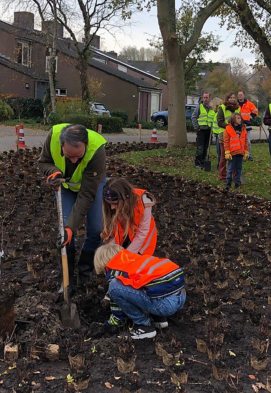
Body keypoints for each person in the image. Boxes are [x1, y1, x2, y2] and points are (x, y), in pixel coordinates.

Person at [40, 123, 107, 286]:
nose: (74, 160)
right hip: (67, 187)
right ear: (62, 145)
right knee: (65, 236)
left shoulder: (97, 150)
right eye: (69, 156)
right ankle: (67, 279)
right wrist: (53, 172)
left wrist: (71, 226)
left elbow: (86, 195)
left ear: (86, 145)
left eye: (79, 156)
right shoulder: (53, 136)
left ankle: (84, 273)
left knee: (97, 229)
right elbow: (43, 162)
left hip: (91, 186)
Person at [95, 244, 186, 340]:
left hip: (166, 305)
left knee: (114, 287)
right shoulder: (134, 260)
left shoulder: (116, 270)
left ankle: (143, 326)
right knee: (142, 285)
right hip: (181, 295)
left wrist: (112, 323)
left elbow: (117, 302)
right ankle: (158, 318)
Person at [101, 178, 157, 257]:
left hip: (142, 242)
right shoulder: (113, 206)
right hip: (125, 237)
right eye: (109, 204)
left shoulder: (143, 202)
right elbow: (116, 230)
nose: (112, 207)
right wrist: (111, 250)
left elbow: (142, 232)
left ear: (125, 199)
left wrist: (127, 255)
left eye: (115, 204)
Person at [214, 93, 242, 181]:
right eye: (230, 97)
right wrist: (229, 127)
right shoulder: (222, 108)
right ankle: (222, 175)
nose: (232, 99)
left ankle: (234, 175)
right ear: (227, 98)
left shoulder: (237, 108)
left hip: (235, 135)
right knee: (223, 156)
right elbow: (220, 122)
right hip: (224, 135)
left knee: (235, 156)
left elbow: (240, 119)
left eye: (234, 97)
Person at [223, 112, 249, 189]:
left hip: (240, 152)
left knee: (238, 169)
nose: (240, 119)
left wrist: (246, 152)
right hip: (233, 152)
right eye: (238, 118)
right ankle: (228, 182)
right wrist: (227, 152)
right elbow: (226, 141)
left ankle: (237, 183)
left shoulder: (243, 129)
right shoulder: (228, 129)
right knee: (230, 168)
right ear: (233, 119)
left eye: (240, 118)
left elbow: (245, 141)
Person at [192, 93, 215, 169]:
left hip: (209, 131)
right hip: (201, 130)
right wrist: (197, 127)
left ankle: (203, 161)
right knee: (200, 147)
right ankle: (198, 163)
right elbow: (194, 117)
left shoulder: (213, 108)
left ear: (209, 98)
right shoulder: (199, 107)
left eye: (206, 97)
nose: (205, 99)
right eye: (204, 97)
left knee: (206, 147)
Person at [237, 91, 259, 160]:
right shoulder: (235, 104)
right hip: (237, 125)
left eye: (241, 95)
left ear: (244, 95)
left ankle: (249, 155)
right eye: (239, 95)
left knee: (248, 141)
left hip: (247, 125)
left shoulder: (249, 104)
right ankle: (239, 154)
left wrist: (250, 116)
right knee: (238, 141)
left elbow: (256, 111)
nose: (240, 96)